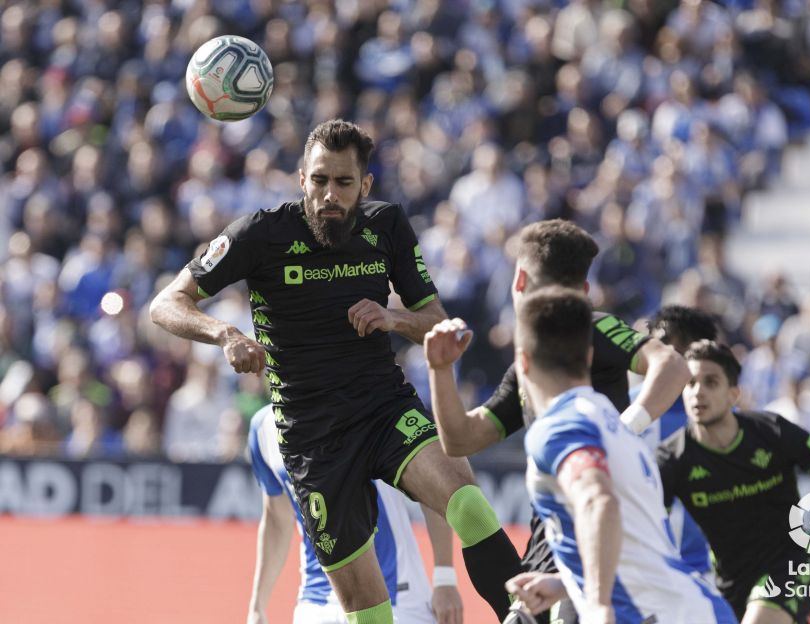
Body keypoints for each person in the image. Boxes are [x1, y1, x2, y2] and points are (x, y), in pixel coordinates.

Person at [149, 119, 521, 623]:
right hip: (311, 439)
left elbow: (437, 321)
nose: (329, 195)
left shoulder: (386, 225)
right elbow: (166, 303)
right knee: (371, 616)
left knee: (471, 507)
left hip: (382, 408)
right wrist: (226, 335)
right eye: (319, 180)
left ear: (364, 186)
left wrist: (393, 317)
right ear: (302, 178)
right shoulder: (261, 233)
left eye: (343, 183)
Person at [424, 219, 689, 623]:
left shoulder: (592, 327)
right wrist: (440, 372)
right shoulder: (529, 361)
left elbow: (669, 364)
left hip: (592, 531)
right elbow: (460, 440)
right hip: (552, 542)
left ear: (519, 282)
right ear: (584, 289)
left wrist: (624, 428)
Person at [657, 340, 810, 624]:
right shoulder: (672, 459)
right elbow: (648, 527)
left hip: (791, 563)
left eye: (711, 382)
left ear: (734, 395)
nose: (698, 392)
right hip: (729, 583)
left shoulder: (772, 432)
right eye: (691, 383)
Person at [246, 404, 463, 624]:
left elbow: (433, 488)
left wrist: (444, 577)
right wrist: (257, 606)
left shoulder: (369, 400)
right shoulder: (262, 427)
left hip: (399, 599)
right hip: (317, 600)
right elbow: (276, 518)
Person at [636, 305, 720, 578]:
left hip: (705, 576)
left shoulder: (724, 418)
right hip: (640, 572)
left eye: (671, 346)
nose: (662, 355)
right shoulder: (625, 407)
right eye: (656, 344)